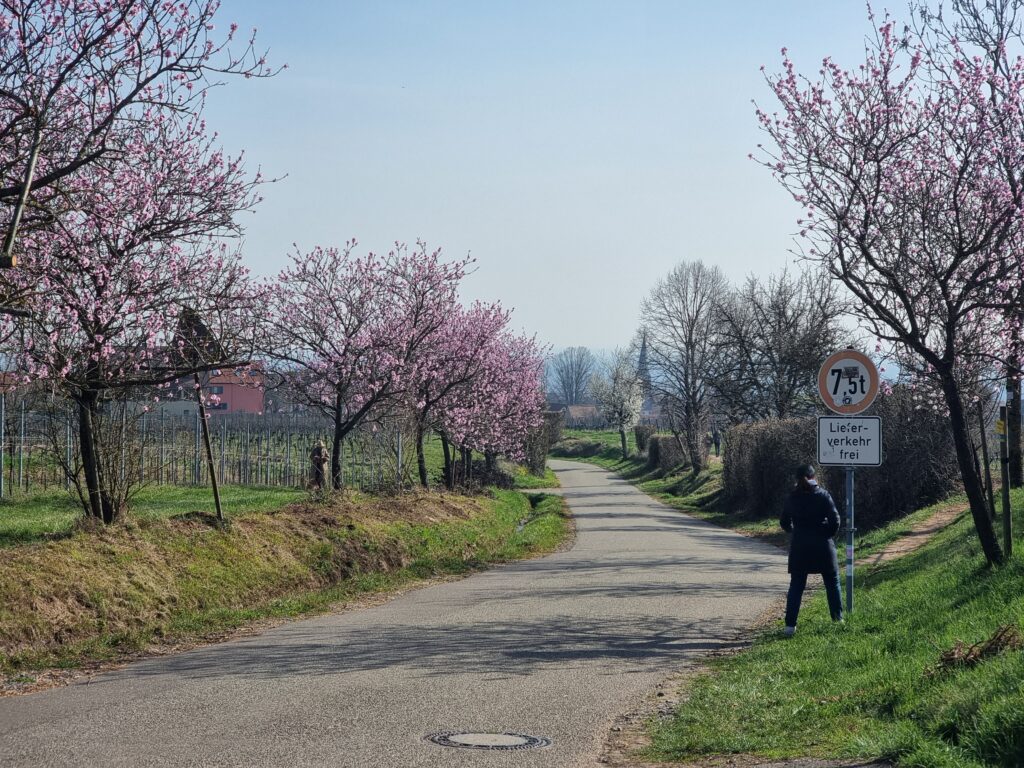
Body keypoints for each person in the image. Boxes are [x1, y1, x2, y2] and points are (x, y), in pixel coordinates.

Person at [780, 463, 843, 635]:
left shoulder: (792, 498)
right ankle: (838, 621)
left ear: (796, 479)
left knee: (797, 586)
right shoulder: (823, 495)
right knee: (832, 583)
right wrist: (826, 534)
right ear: (814, 477)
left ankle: (789, 627)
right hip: (823, 547)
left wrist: (795, 532)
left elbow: (784, 522)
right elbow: (835, 520)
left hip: (800, 548)